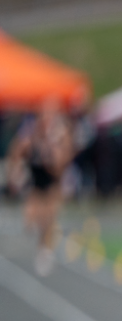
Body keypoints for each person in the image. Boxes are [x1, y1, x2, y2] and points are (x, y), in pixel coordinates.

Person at [6, 101, 74, 275]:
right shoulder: (31, 134)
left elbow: (60, 166)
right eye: (45, 115)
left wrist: (50, 152)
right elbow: (16, 151)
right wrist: (15, 171)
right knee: (30, 222)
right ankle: (40, 238)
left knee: (48, 219)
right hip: (35, 181)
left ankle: (45, 250)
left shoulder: (59, 136)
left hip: (51, 182)